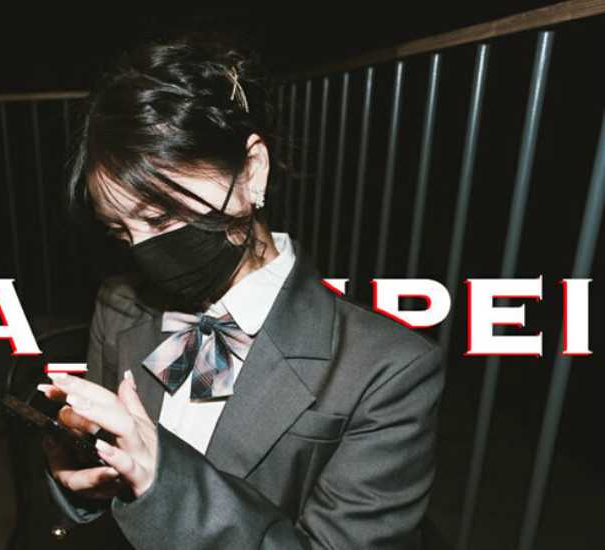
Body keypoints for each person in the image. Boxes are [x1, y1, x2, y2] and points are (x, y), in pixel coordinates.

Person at [36, 34, 446, 549]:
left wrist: (162, 481)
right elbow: (111, 495)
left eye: (160, 218)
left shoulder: (386, 371)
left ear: (252, 170)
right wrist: (84, 486)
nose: (142, 251)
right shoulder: (119, 307)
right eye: (121, 232)